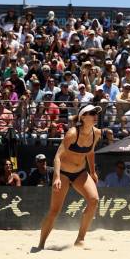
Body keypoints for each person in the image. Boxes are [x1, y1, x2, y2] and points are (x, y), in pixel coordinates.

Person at [36, 104, 102, 249]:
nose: (95, 115)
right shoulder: (72, 133)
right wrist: (57, 177)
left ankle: (80, 239)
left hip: (80, 173)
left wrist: (92, 172)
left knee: (94, 200)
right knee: (54, 211)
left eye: (96, 113)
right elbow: (58, 157)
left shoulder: (96, 133)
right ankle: (41, 244)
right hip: (64, 174)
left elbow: (90, 153)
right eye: (92, 113)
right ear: (83, 117)